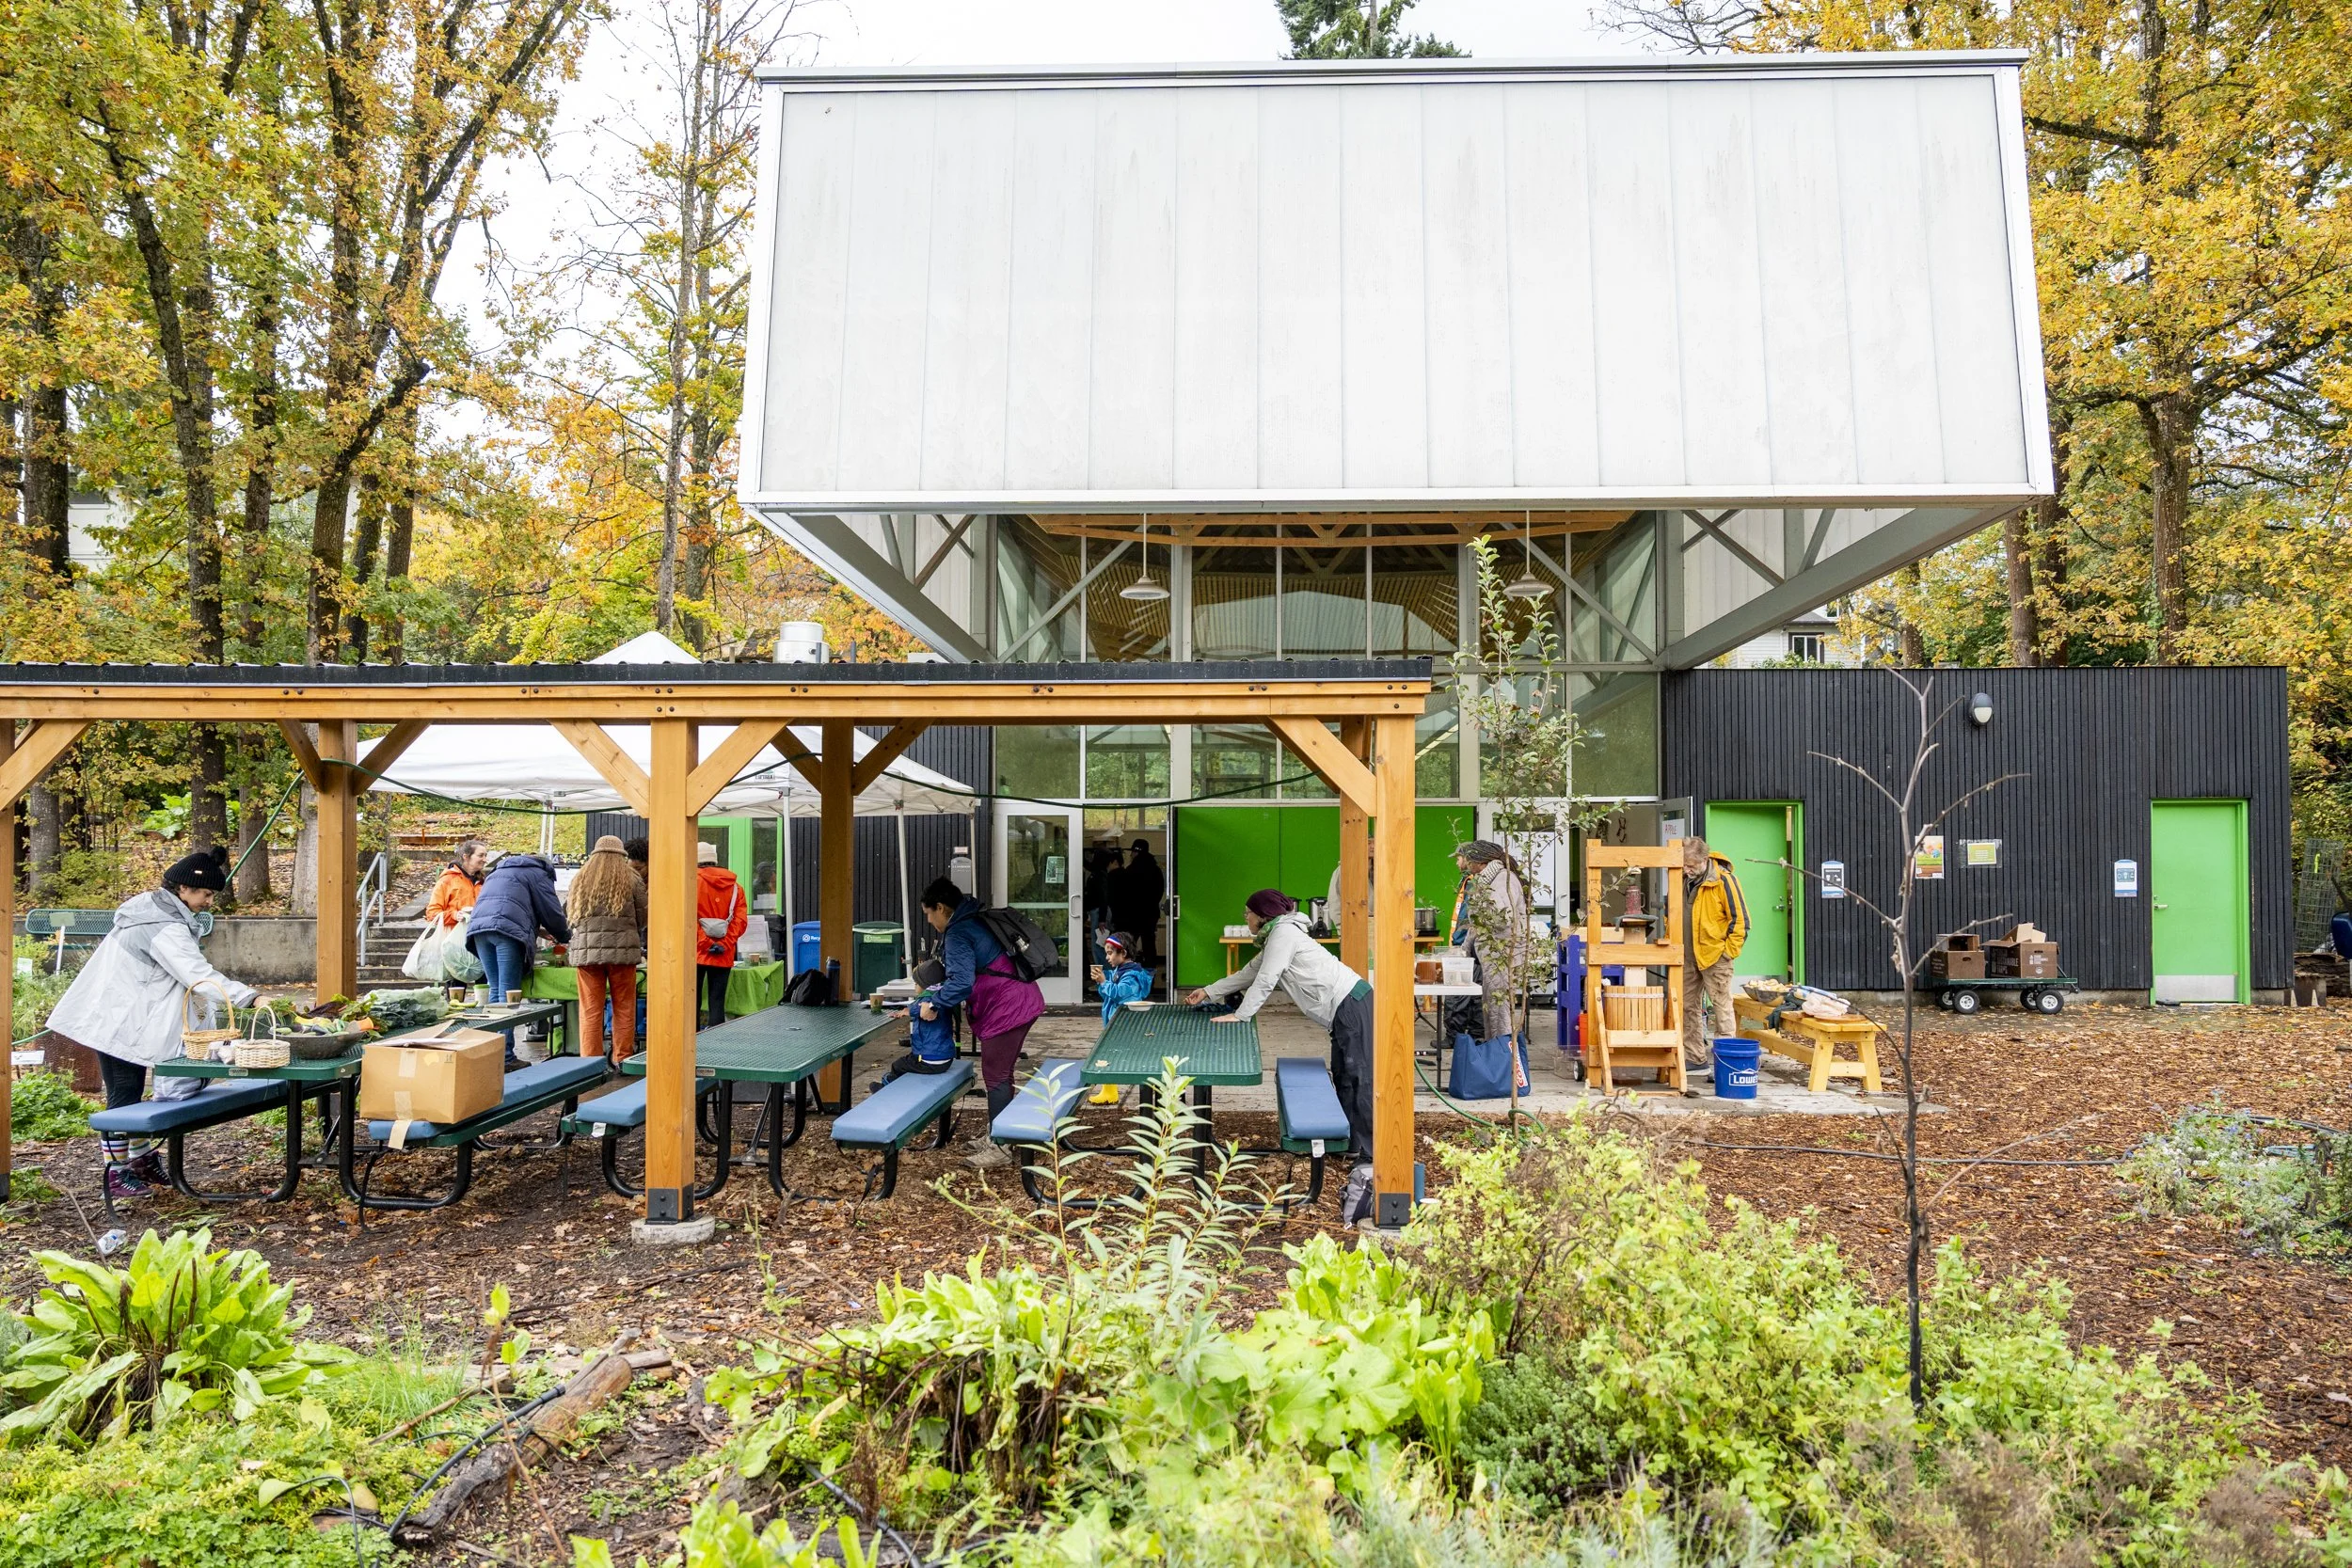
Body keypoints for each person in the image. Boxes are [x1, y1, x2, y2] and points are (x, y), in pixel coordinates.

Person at [47, 847, 259, 1202]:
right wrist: (251, 998)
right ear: (183, 889)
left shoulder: (155, 910)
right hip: (116, 1019)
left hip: (125, 1015)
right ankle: (116, 1174)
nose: (209, 901)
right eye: (205, 894)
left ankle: (142, 1160)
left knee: (133, 1094)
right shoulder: (163, 927)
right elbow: (197, 975)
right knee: (124, 1096)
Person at [1185, 889, 1376, 1222]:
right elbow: (1249, 974)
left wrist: (1242, 1015)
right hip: (1342, 1010)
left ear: (1264, 914)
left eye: (1249, 913)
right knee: (1344, 1077)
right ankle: (1350, 1145)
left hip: (1352, 1004)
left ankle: (1372, 1156)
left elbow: (1268, 979)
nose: (1246, 918)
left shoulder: (1284, 934)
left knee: (1359, 1079)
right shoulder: (1276, 936)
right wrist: (1210, 991)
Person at [919, 876, 1045, 1170]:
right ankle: (1000, 1133)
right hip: (1019, 1001)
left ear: (941, 907)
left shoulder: (959, 932)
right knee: (1003, 1073)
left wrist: (934, 1003)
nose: (929, 920)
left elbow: (962, 982)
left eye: (928, 914)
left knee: (996, 1075)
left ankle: (1000, 1148)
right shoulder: (974, 918)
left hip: (1007, 1008)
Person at [466, 849, 571, 1067]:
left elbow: (507, 905)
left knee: (495, 991)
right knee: (509, 993)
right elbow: (551, 912)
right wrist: (565, 936)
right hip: (506, 933)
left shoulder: (499, 871)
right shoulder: (538, 873)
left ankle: (493, 1054)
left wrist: (537, 930)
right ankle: (505, 1058)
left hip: (479, 931)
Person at [566, 835, 646, 1068]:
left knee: (590, 1008)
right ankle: (623, 1058)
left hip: (587, 955)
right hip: (623, 954)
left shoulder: (580, 877)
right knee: (624, 1006)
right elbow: (643, 915)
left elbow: (571, 915)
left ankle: (590, 1063)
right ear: (622, 855)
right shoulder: (631, 877)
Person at [1681, 836, 1750, 1072]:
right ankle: (1695, 1058)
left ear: (1704, 860)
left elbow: (1741, 921)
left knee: (1721, 1007)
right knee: (1687, 1006)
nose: (1686, 869)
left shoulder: (1724, 881)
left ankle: (1725, 1062)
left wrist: (1728, 953)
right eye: (1683, 865)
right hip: (1688, 956)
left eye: (1690, 865)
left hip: (1715, 955)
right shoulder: (1682, 880)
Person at [1454, 840, 1531, 1043]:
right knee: (1493, 1009)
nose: (1465, 864)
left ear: (1480, 861)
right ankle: (1496, 1053)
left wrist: (1479, 916)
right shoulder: (1490, 879)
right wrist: (1466, 948)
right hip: (1494, 958)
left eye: (1468, 860)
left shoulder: (1502, 880)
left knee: (1500, 1012)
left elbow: (1501, 918)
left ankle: (1502, 1057)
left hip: (1503, 958)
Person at [1085, 930, 1155, 1105]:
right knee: (1109, 1054)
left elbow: (1121, 994)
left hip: (1125, 1025)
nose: (1107, 957)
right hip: (1115, 1022)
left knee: (1119, 1055)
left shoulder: (1131, 975)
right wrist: (1102, 982)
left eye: (1110, 953)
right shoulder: (1120, 970)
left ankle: (1120, 1090)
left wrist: (1103, 982)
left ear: (1123, 953)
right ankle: (1109, 1090)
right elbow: (1109, 995)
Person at [695, 841, 748, 1029]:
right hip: (723, 953)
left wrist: (704, 943)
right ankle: (715, 1042)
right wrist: (725, 943)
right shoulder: (736, 887)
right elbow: (740, 921)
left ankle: (690, 1043)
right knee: (717, 1000)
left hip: (696, 952)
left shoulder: (690, 883)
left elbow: (686, 920)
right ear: (715, 860)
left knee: (691, 1000)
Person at [1111, 838, 1165, 966]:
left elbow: (1124, 893)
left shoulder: (1130, 870)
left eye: (1132, 852)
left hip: (1132, 915)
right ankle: (1150, 971)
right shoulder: (1156, 870)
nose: (1130, 855)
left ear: (1135, 852)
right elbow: (1160, 891)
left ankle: (1129, 971)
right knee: (1149, 944)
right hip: (1150, 914)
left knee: (1130, 944)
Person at [423, 839, 491, 928]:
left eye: (485, 856)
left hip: (478, 935)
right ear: (465, 857)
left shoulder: (484, 882)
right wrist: (454, 916)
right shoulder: (447, 880)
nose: (485, 860)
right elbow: (432, 914)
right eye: (480, 855)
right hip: (455, 937)